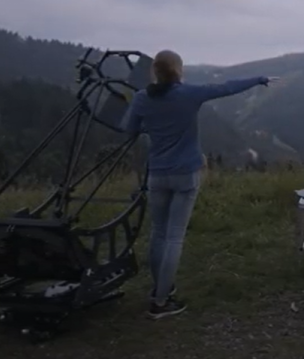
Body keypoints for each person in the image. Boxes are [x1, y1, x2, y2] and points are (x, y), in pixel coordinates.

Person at [117, 49, 278, 319]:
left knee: (158, 233)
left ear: (154, 72)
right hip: (186, 174)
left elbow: (128, 129)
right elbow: (225, 88)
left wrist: (151, 126)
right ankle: (160, 300)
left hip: (157, 174)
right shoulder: (188, 94)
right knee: (174, 236)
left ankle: (160, 289)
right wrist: (259, 79)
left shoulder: (143, 98)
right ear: (179, 70)